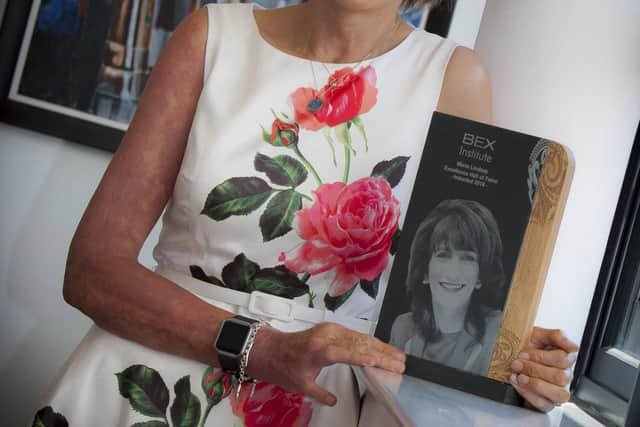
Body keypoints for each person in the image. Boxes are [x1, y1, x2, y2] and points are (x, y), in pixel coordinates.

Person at [31, 0, 579, 425]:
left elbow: (440, 287)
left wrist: (510, 357)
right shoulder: (209, 37)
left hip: (319, 405)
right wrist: (260, 349)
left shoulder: (457, 79)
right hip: (140, 386)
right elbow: (90, 271)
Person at [390, 199, 506, 375]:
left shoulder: (498, 331)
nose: (453, 273)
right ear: (425, 271)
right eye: (443, 255)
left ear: (480, 277)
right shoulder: (402, 329)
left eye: (468, 258)